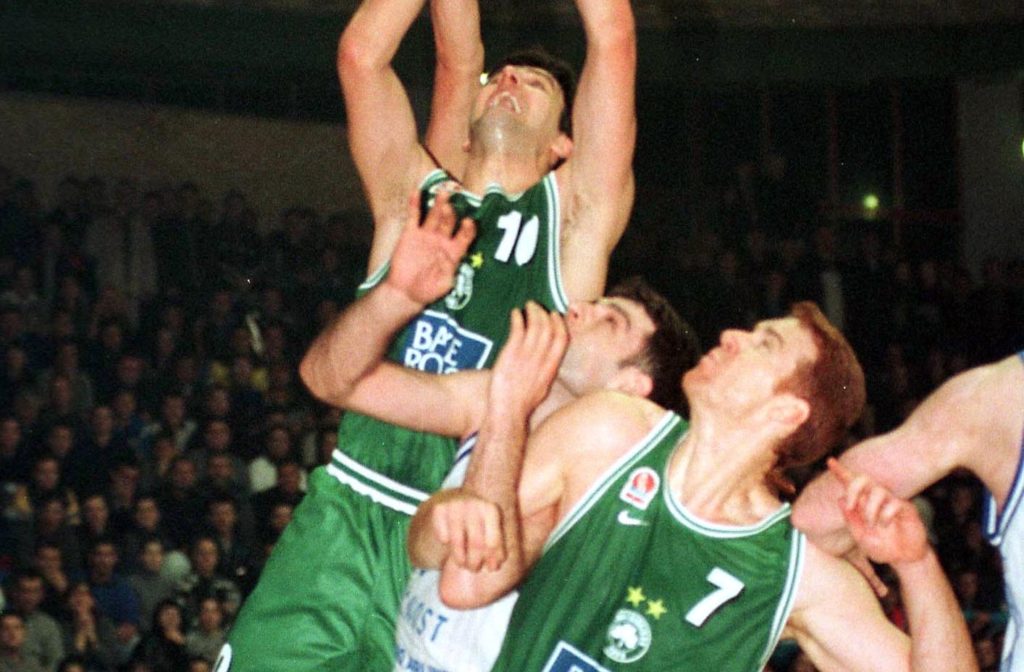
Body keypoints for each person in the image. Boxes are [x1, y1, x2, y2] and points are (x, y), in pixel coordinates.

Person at [227, 0, 636, 657]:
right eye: (497, 78)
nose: (508, 81)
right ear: (467, 127)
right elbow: (361, 56)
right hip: (344, 513)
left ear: (565, 146)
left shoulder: (571, 224)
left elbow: (613, 37)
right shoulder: (411, 199)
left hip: (456, 545)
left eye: (535, 84)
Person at [405, 302, 976, 669]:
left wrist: (918, 564)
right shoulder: (608, 430)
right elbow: (461, 578)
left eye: (765, 345)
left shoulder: (794, 576)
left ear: (785, 414)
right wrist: (451, 511)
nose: (731, 335)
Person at [792, 351, 1024, 671]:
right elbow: (816, 520)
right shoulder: (1003, 395)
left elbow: (815, 519)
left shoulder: (997, 396)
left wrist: (843, 546)